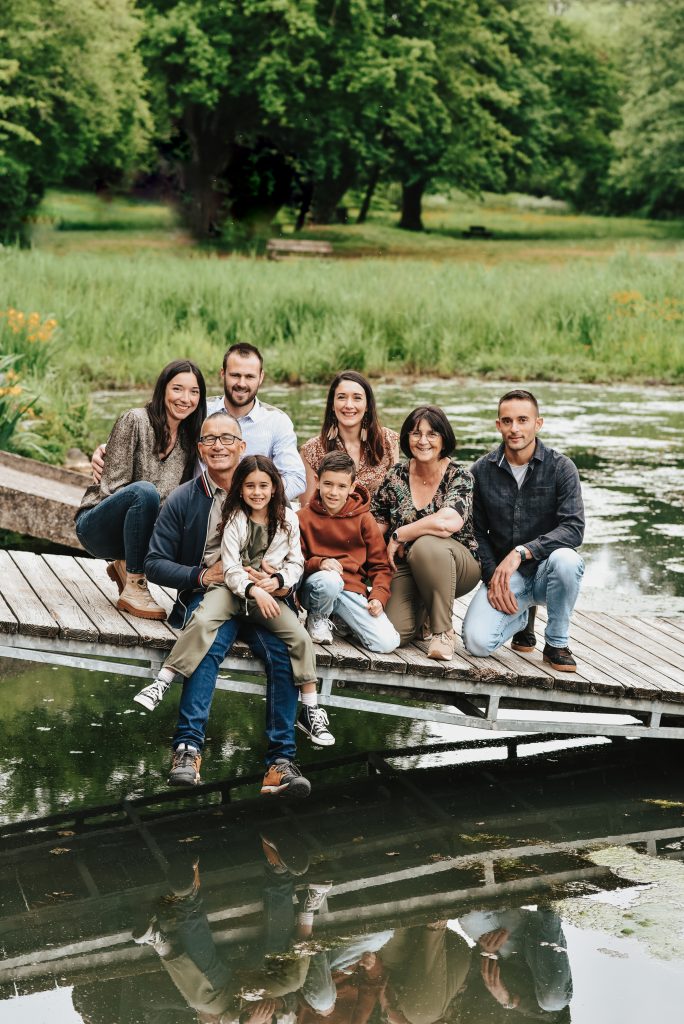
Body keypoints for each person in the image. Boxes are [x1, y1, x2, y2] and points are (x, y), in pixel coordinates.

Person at [137, 410, 311, 797]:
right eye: (210, 440)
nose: (219, 446)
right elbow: (153, 563)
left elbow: (294, 557)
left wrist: (279, 585)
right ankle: (188, 749)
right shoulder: (185, 498)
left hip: (263, 598)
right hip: (214, 595)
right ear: (199, 449)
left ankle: (279, 764)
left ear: (242, 445)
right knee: (209, 645)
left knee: (283, 653)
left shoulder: (267, 494)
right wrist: (202, 576)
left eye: (227, 438)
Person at [139, 454, 335, 750]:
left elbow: (296, 563)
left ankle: (310, 709)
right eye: (250, 486)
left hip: (268, 594)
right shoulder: (234, 518)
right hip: (233, 592)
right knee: (203, 620)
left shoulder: (288, 518)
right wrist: (253, 589)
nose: (257, 492)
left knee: (299, 638)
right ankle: (163, 681)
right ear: (240, 490)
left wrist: (278, 581)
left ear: (275, 488)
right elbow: (229, 569)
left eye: (264, 486)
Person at [462, 389, 585, 672]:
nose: (514, 428)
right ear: (498, 425)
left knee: (568, 561)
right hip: (508, 576)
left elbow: (574, 528)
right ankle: (520, 618)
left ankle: (556, 643)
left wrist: (524, 551)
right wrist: (493, 576)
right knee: (477, 644)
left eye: (522, 420)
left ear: (537, 423)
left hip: (546, 572)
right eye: (507, 421)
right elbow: (476, 533)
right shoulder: (481, 471)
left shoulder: (561, 468)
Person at [92, 341, 307, 501]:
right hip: (198, 506)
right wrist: (106, 450)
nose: (241, 383)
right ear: (222, 374)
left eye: (249, 377)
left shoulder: (277, 422)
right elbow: (159, 429)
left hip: (252, 510)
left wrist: (253, 496)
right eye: (235, 375)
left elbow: (297, 479)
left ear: (261, 377)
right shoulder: (199, 410)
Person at [75, 359, 206, 620]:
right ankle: (135, 585)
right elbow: (111, 488)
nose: (185, 398)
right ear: (163, 390)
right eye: (177, 389)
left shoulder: (190, 441)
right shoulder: (135, 420)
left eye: (194, 392)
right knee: (145, 492)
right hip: (97, 526)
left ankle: (125, 566)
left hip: (140, 537)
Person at [371, 406, 481, 662]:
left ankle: (443, 631)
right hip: (407, 565)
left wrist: (402, 534)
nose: (422, 441)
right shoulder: (395, 476)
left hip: (458, 565)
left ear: (444, 438)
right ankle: (426, 615)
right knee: (395, 631)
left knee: (426, 544)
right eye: (415, 433)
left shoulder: (460, 477)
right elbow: (376, 526)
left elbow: (448, 522)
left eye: (432, 434)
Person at [297, 451, 400, 651]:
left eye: (342, 486)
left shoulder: (364, 518)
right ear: (317, 481)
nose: (334, 492)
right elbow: (295, 563)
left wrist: (378, 595)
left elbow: (380, 565)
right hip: (317, 587)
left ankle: (341, 619)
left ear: (352, 487)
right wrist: (319, 563)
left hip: (349, 590)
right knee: (330, 580)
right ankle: (317, 618)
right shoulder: (302, 517)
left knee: (387, 643)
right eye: (328, 484)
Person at [299, 371, 399, 505]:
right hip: (330, 524)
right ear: (332, 405)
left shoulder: (388, 440)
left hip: (378, 524)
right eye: (341, 397)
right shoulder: (311, 449)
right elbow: (307, 508)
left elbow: (395, 497)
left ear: (367, 405)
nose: (349, 405)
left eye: (357, 398)